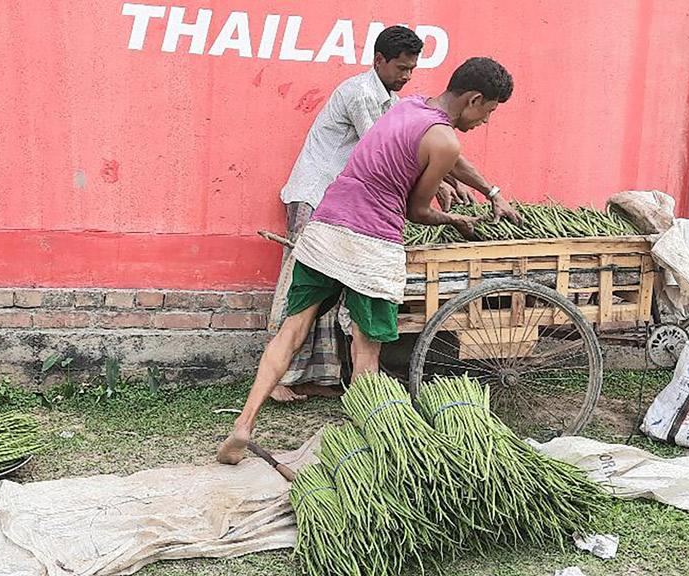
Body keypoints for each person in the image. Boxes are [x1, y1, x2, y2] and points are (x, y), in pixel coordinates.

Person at [219, 57, 515, 464]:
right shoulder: (445, 141)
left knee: (291, 331)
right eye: (489, 111)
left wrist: (492, 190)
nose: (487, 121)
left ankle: (243, 425)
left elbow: (450, 157)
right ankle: (367, 450)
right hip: (371, 244)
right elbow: (418, 211)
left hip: (326, 228)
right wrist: (457, 220)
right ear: (474, 99)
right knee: (366, 354)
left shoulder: (409, 106)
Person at [269, 25, 424, 403]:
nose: (406, 76)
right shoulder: (359, 94)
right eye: (401, 68)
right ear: (379, 61)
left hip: (341, 206)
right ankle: (276, 379)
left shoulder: (387, 99)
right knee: (303, 295)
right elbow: (385, 149)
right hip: (315, 198)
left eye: (411, 69)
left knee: (332, 293)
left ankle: (314, 378)